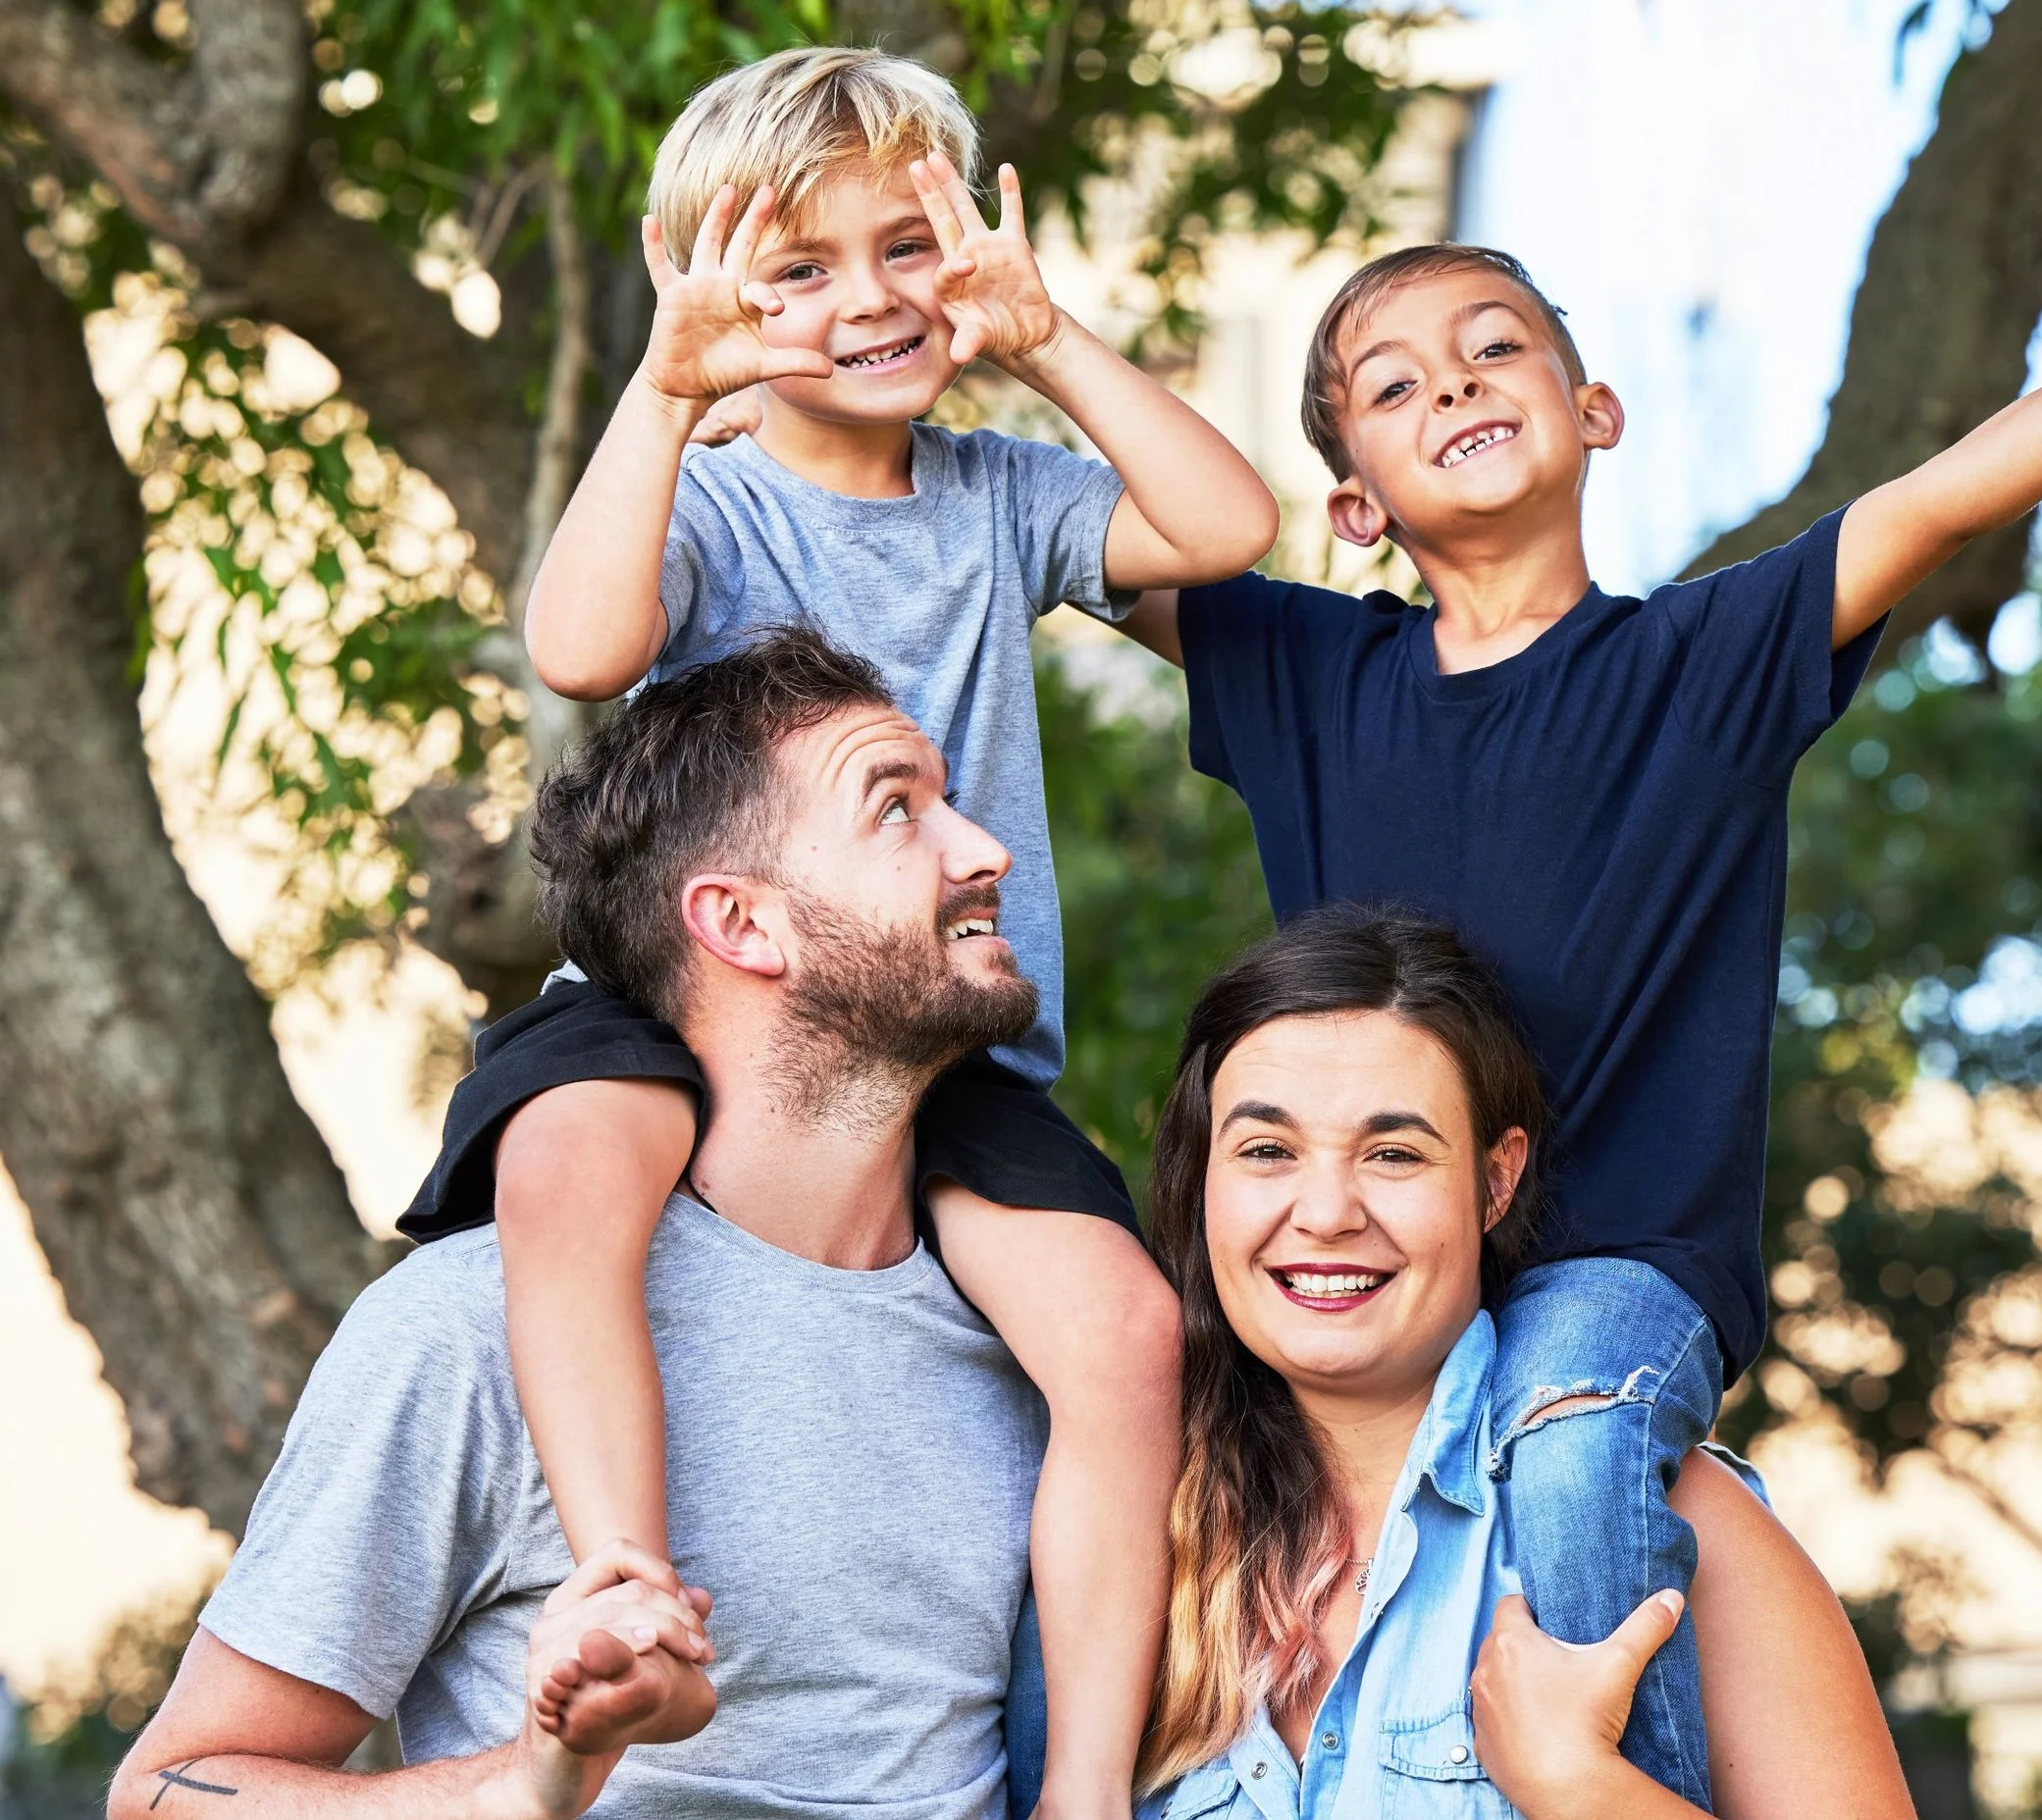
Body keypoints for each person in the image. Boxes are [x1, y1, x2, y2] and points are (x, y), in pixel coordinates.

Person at [1114, 202, 2042, 1797]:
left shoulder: (1702, 661)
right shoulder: (1307, 673)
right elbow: (1055, 538)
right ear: (1354, 506)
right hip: (1382, 1259)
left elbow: (1939, 497)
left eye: (1492, 349)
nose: (1450, 387)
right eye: (1388, 390)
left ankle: (1610, 1774)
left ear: (1595, 412)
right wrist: (1020, 327)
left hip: (1613, 1270)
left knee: (1572, 1427)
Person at [402, 47, 1281, 1815]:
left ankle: (1092, 1784)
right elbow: (578, 647)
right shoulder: (712, 496)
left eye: (910, 246)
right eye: (798, 270)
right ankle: (625, 1572)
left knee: (1123, 1332)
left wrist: (1042, 337)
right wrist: (664, 393)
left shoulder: (996, 490)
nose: (868, 300)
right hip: (685, 996)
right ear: (715, 295)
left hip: (934, 1033)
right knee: (569, 1170)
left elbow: (1231, 525)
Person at [113, 632, 1068, 1817]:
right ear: (739, 922)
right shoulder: (464, 1330)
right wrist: (523, 1783)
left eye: (954, 805)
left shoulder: (1038, 1337)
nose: (987, 851)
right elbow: (164, 1792)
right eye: (895, 810)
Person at [1131, 907, 1914, 1819]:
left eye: (1393, 1153)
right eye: (1267, 1150)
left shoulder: (1661, 1516)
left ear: (1496, 1181)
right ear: (1203, 1178)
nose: (1327, 1210)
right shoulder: (1132, 1538)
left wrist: (1584, 1788)